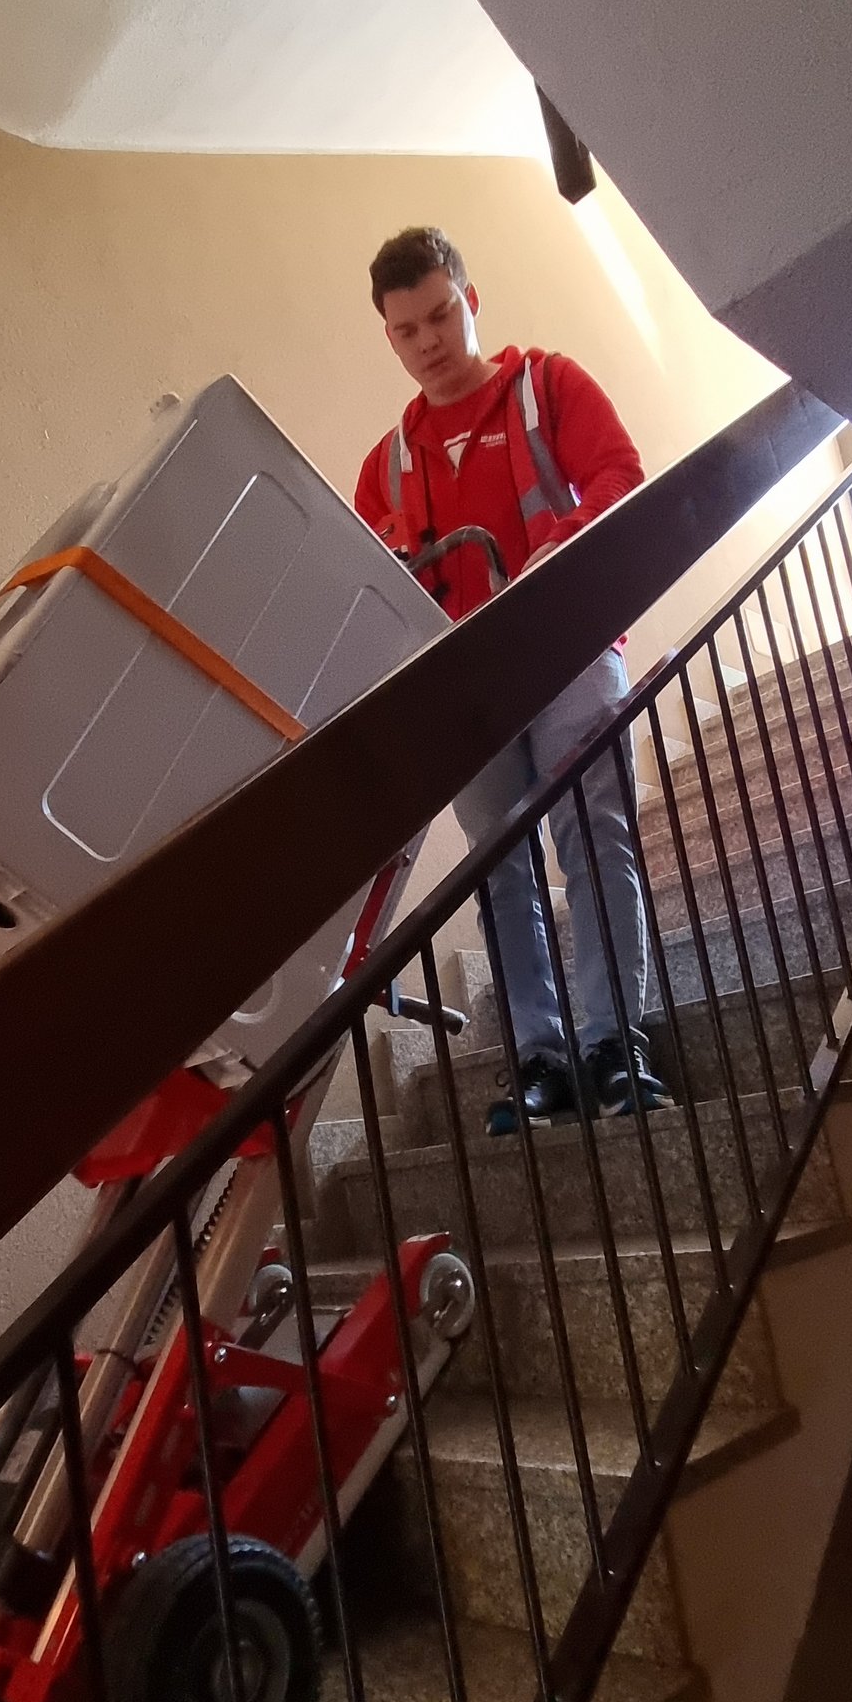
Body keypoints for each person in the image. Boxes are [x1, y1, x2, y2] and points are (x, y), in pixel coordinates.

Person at [354, 224, 672, 1133]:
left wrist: (548, 556)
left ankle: (613, 1043)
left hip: (569, 645)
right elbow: (374, 586)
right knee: (500, 865)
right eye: (408, 329)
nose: (428, 341)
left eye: (440, 315)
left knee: (594, 835)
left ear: (470, 300)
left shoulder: (547, 386)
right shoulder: (386, 465)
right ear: (389, 337)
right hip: (470, 690)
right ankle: (540, 1056)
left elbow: (620, 476)